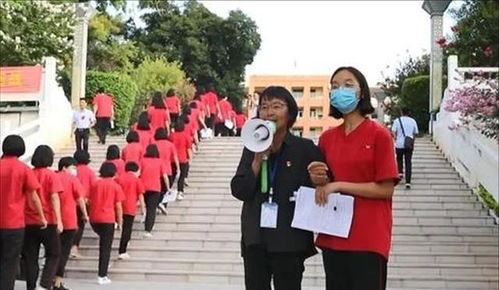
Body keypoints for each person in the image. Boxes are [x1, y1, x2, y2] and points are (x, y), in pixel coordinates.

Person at [308, 66, 398, 290]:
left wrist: (339, 185)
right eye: (335, 86)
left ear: (362, 93)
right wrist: (316, 177)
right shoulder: (327, 138)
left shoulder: (379, 134)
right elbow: (324, 183)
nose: (341, 90)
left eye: (348, 85)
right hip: (334, 232)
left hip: (368, 236)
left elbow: (386, 189)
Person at [230, 86, 326, 290]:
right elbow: (240, 190)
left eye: (277, 106)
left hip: (289, 240)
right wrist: (257, 160)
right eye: (264, 107)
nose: (269, 112)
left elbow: (324, 183)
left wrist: (318, 179)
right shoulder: (252, 146)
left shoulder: (305, 148)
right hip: (256, 239)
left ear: (290, 113)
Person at [0, 135, 45, 290]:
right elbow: (33, 196)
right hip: (14, 224)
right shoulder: (23, 169)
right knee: (10, 262)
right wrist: (41, 216)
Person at [23, 145, 64, 290]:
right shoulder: (51, 175)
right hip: (48, 220)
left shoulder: (28, 173)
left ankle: (31, 286)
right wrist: (59, 220)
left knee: (31, 258)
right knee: (54, 253)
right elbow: (54, 198)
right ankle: (45, 283)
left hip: (28, 220)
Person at [54, 157, 89, 290]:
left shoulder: (53, 177)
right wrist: (85, 214)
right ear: (64, 167)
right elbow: (80, 199)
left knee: (53, 252)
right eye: (73, 168)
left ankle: (51, 279)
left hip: (52, 220)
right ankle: (57, 281)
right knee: (63, 252)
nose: (75, 170)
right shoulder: (72, 180)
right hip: (68, 221)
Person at [88, 162, 124, 285]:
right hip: (107, 218)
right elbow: (118, 206)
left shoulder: (95, 184)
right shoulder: (115, 186)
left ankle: (103, 267)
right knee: (105, 248)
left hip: (94, 218)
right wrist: (120, 222)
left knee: (104, 244)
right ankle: (102, 275)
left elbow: (89, 200)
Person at [115, 161, 146, 259]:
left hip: (118, 206)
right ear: (136, 170)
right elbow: (141, 195)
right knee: (127, 229)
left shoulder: (118, 178)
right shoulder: (136, 180)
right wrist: (143, 208)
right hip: (130, 207)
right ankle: (122, 250)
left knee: (120, 224)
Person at [71, 150, 96, 259]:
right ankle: (74, 247)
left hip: (71, 201)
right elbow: (93, 187)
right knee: (80, 225)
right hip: (84, 201)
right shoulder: (90, 172)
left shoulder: (73, 171)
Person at [140, 144, 169, 238]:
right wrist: (168, 188)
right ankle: (148, 229)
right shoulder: (160, 162)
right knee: (151, 209)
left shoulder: (142, 161)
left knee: (146, 205)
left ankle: (146, 217)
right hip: (155, 187)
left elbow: (138, 173)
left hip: (143, 187)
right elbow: (164, 176)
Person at [391, 107, 419, 189]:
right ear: (409, 112)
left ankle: (400, 173)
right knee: (408, 162)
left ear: (401, 112)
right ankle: (408, 182)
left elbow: (393, 131)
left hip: (399, 144)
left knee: (399, 159)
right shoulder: (412, 121)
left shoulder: (397, 121)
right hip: (408, 145)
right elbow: (415, 132)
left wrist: (396, 138)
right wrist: (412, 141)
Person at [154, 127, 180, 211]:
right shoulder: (170, 144)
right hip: (167, 169)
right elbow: (175, 157)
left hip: (156, 170)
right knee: (166, 189)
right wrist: (178, 168)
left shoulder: (153, 144)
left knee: (158, 189)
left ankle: (158, 203)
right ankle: (163, 204)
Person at [169, 120, 193, 201]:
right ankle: (180, 192)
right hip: (183, 158)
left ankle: (169, 190)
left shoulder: (171, 136)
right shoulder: (186, 136)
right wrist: (190, 158)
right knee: (182, 176)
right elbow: (188, 148)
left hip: (172, 159)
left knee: (172, 175)